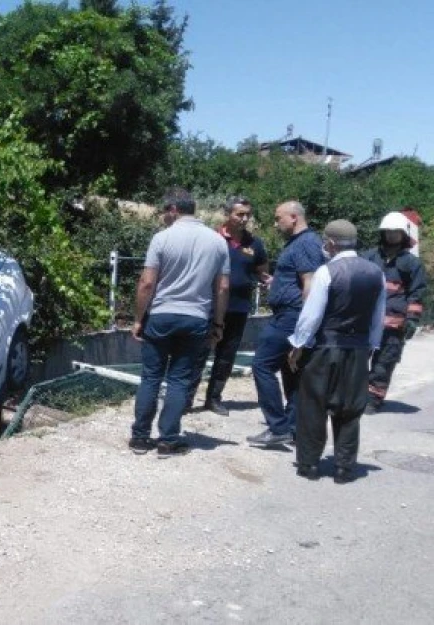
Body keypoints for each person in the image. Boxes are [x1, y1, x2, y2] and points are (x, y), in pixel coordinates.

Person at [129, 189, 230, 457]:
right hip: (196, 317)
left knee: (151, 377)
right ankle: (168, 440)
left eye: (164, 211)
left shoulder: (162, 238)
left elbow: (147, 282)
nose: (163, 216)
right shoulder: (218, 242)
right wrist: (218, 324)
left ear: (173, 209)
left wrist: (139, 319)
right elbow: (222, 288)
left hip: (162, 315)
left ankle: (140, 438)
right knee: (179, 380)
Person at [287, 220, 386, 483]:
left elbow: (312, 314)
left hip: (325, 348)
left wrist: (298, 344)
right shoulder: (376, 273)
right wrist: (371, 347)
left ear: (330, 243)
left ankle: (308, 464)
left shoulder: (326, 272)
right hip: (358, 348)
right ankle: (344, 467)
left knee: (313, 405)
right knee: (350, 408)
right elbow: (378, 317)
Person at [247, 201, 324, 447]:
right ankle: (293, 427)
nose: (275, 222)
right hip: (290, 315)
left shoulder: (305, 243)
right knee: (291, 372)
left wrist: (303, 328)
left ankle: (278, 427)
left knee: (262, 365)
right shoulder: (301, 243)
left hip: (291, 317)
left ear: (293, 217)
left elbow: (309, 284)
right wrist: (277, 283)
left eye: (278, 217)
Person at [189, 196, 271, 416]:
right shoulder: (212, 239)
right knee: (198, 353)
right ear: (228, 214)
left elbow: (262, 271)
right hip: (209, 306)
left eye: (247, 214)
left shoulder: (255, 244)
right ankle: (186, 399)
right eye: (239, 214)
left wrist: (268, 281)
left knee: (226, 355)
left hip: (239, 307)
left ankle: (213, 398)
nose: (244, 219)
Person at [361, 211, 427, 414]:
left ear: (403, 234)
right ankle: (355, 395)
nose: (391, 235)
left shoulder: (412, 263)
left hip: (393, 324)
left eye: (395, 232)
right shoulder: (369, 257)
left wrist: (412, 319)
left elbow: (417, 293)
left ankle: (373, 400)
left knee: (384, 363)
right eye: (387, 231)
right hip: (365, 321)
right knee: (356, 360)